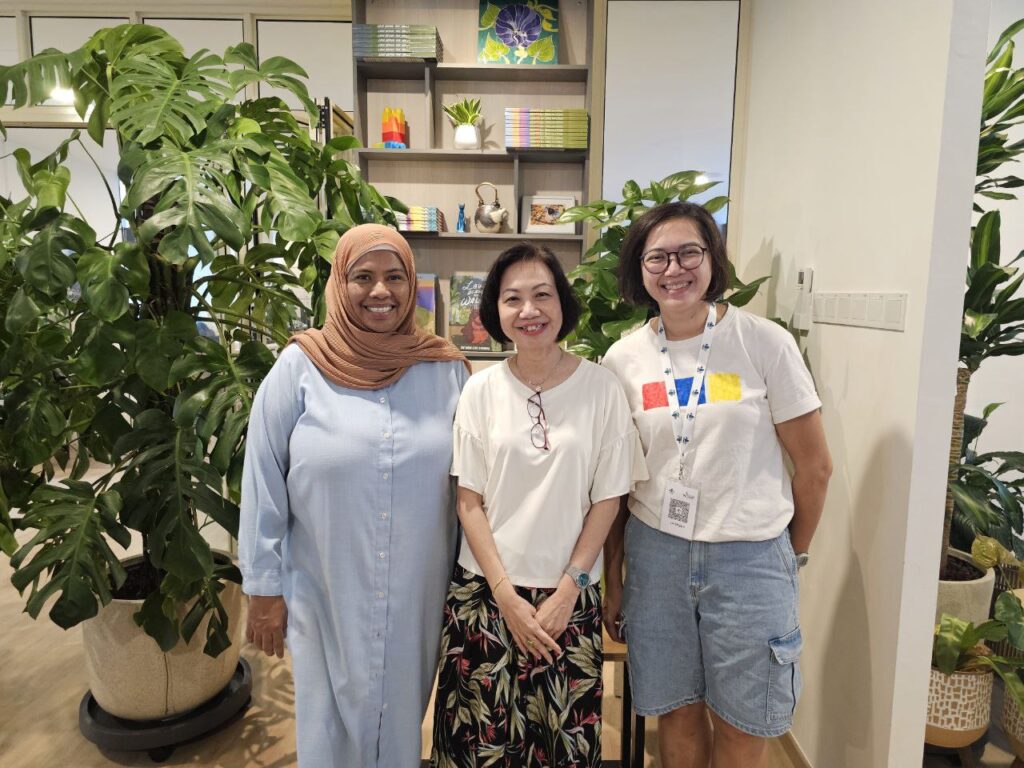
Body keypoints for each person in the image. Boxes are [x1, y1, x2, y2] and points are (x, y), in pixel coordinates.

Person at [601, 202, 832, 768]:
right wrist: (613, 580)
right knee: (676, 712)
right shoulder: (622, 359)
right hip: (657, 555)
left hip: (749, 557)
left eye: (689, 253)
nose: (673, 268)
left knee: (743, 721)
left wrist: (788, 553)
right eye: (657, 256)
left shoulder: (763, 342)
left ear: (712, 259)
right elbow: (615, 484)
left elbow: (815, 467)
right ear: (639, 268)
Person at [238, 224, 470, 768]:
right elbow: (262, 477)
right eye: (363, 277)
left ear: (412, 285)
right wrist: (263, 589)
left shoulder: (447, 370)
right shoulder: (300, 367)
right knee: (326, 719)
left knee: (402, 714)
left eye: (394, 277)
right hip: (323, 586)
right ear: (340, 285)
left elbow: (476, 483)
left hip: (419, 586)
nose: (380, 291)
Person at [431, 243, 646, 768]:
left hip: (568, 602)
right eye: (513, 299)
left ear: (562, 304)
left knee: (563, 744)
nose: (529, 311)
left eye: (542, 295)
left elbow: (609, 496)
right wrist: (505, 595)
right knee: (478, 747)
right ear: (496, 312)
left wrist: (568, 588)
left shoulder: (601, 388)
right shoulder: (480, 391)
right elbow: (469, 502)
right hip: (485, 596)